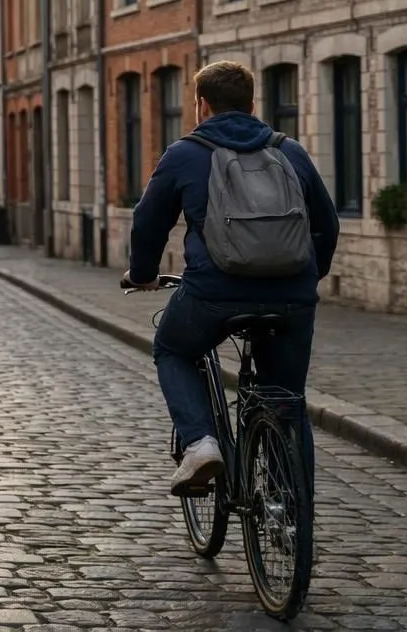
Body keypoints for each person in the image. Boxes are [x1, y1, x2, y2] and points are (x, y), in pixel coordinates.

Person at [125, 60, 338, 495]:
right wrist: (305, 279)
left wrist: (143, 273)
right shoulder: (290, 151)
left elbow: (148, 224)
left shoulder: (184, 153)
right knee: (287, 402)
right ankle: (288, 513)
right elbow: (327, 225)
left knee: (171, 349)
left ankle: (201, 443)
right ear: (253, 103)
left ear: (201, 105)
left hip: (213, 294)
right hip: (291, 297)